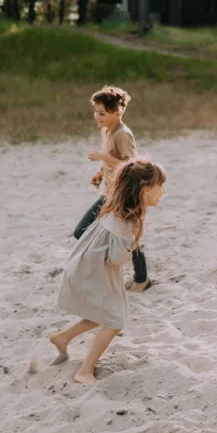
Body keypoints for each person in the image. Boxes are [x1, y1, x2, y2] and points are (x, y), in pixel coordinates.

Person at [51, 159, 166, 384]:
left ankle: (62, 337)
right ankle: (85, 370)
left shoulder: (115, 208)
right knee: (114, 320)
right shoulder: (127, 223)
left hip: (86, 267)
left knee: (105, 313)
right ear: (145, 190)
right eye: (160, 186)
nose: (163, 192)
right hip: (94, 271)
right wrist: (130, 245)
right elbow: (116, 258)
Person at [75, 85, 152, 292]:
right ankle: (112, 274)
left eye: (102, 113)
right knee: (83, 232)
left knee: (128, 236)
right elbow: (112, 157)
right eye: (96, 112)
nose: (97, 117)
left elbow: (129, 166)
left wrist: (102, 157)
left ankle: (141, 279)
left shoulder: (123, 134)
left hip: (126, 193)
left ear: (118, 112)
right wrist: (100, 173)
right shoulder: (106, 131)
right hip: (110, 192)